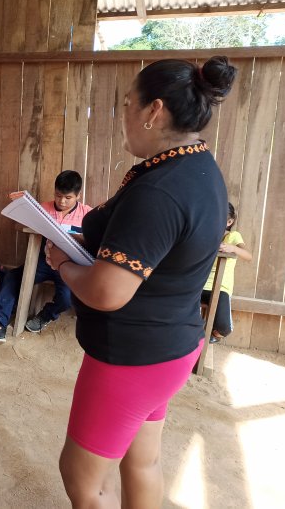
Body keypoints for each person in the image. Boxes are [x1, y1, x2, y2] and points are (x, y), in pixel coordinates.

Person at [44, 56, 237, 507]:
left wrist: (63, 265)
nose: (124, 116)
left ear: (153, 111)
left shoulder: (160, 190)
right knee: (142, 462)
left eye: (127, 104)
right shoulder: (198, 168)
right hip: (171, 347)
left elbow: (109, 291)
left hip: (131, 357)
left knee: (84, 480)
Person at [0, 170, 92, 344]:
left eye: (68, 197)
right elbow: (20, 226)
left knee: (67, 298)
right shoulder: (43, 208)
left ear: (78, 195)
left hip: (68, 264)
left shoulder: (87, 214)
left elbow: (94, 239)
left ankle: (47, 314)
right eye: (58, 196)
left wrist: (75, 236)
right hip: (43, 261)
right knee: (13, 277)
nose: (62, 201)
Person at [202, 202, 252, 343]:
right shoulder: (206, 234)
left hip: (220, 288)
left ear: (229, 221)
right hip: (199, 284)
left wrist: (233, 248)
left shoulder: (234, 236)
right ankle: (196, 338)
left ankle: (212, 335)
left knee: (224, 328)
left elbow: (248, 256)